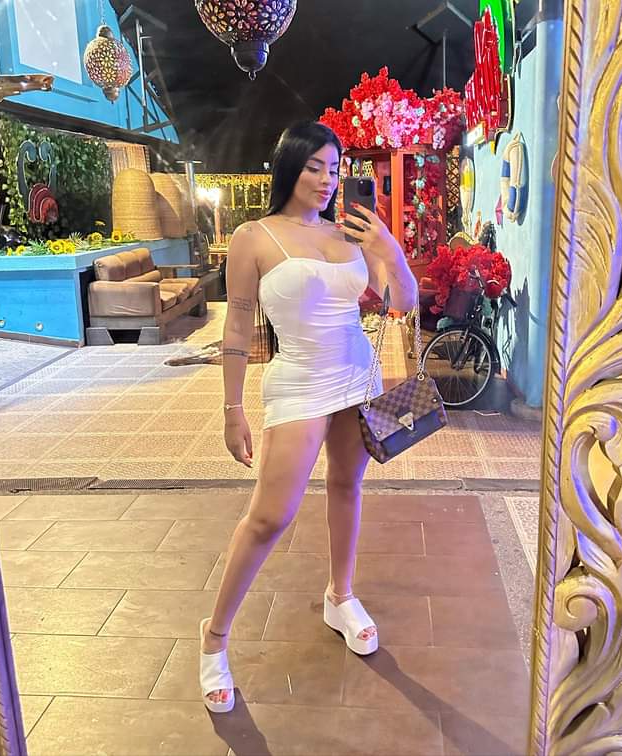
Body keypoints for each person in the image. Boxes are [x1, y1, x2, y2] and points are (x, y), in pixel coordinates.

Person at [199, 121, 418, 713]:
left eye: (334, 169)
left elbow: (401, 303)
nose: (326, 180)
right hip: (298, 381)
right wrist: (232, 409)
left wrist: (389, 250)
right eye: (315, 166)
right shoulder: (254, 235)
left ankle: (340, 596)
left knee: (347, 486)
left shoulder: (351, 233)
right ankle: (214, 638)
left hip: (357, 374)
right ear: (289, 166)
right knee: (270, 516)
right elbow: (237, 327)